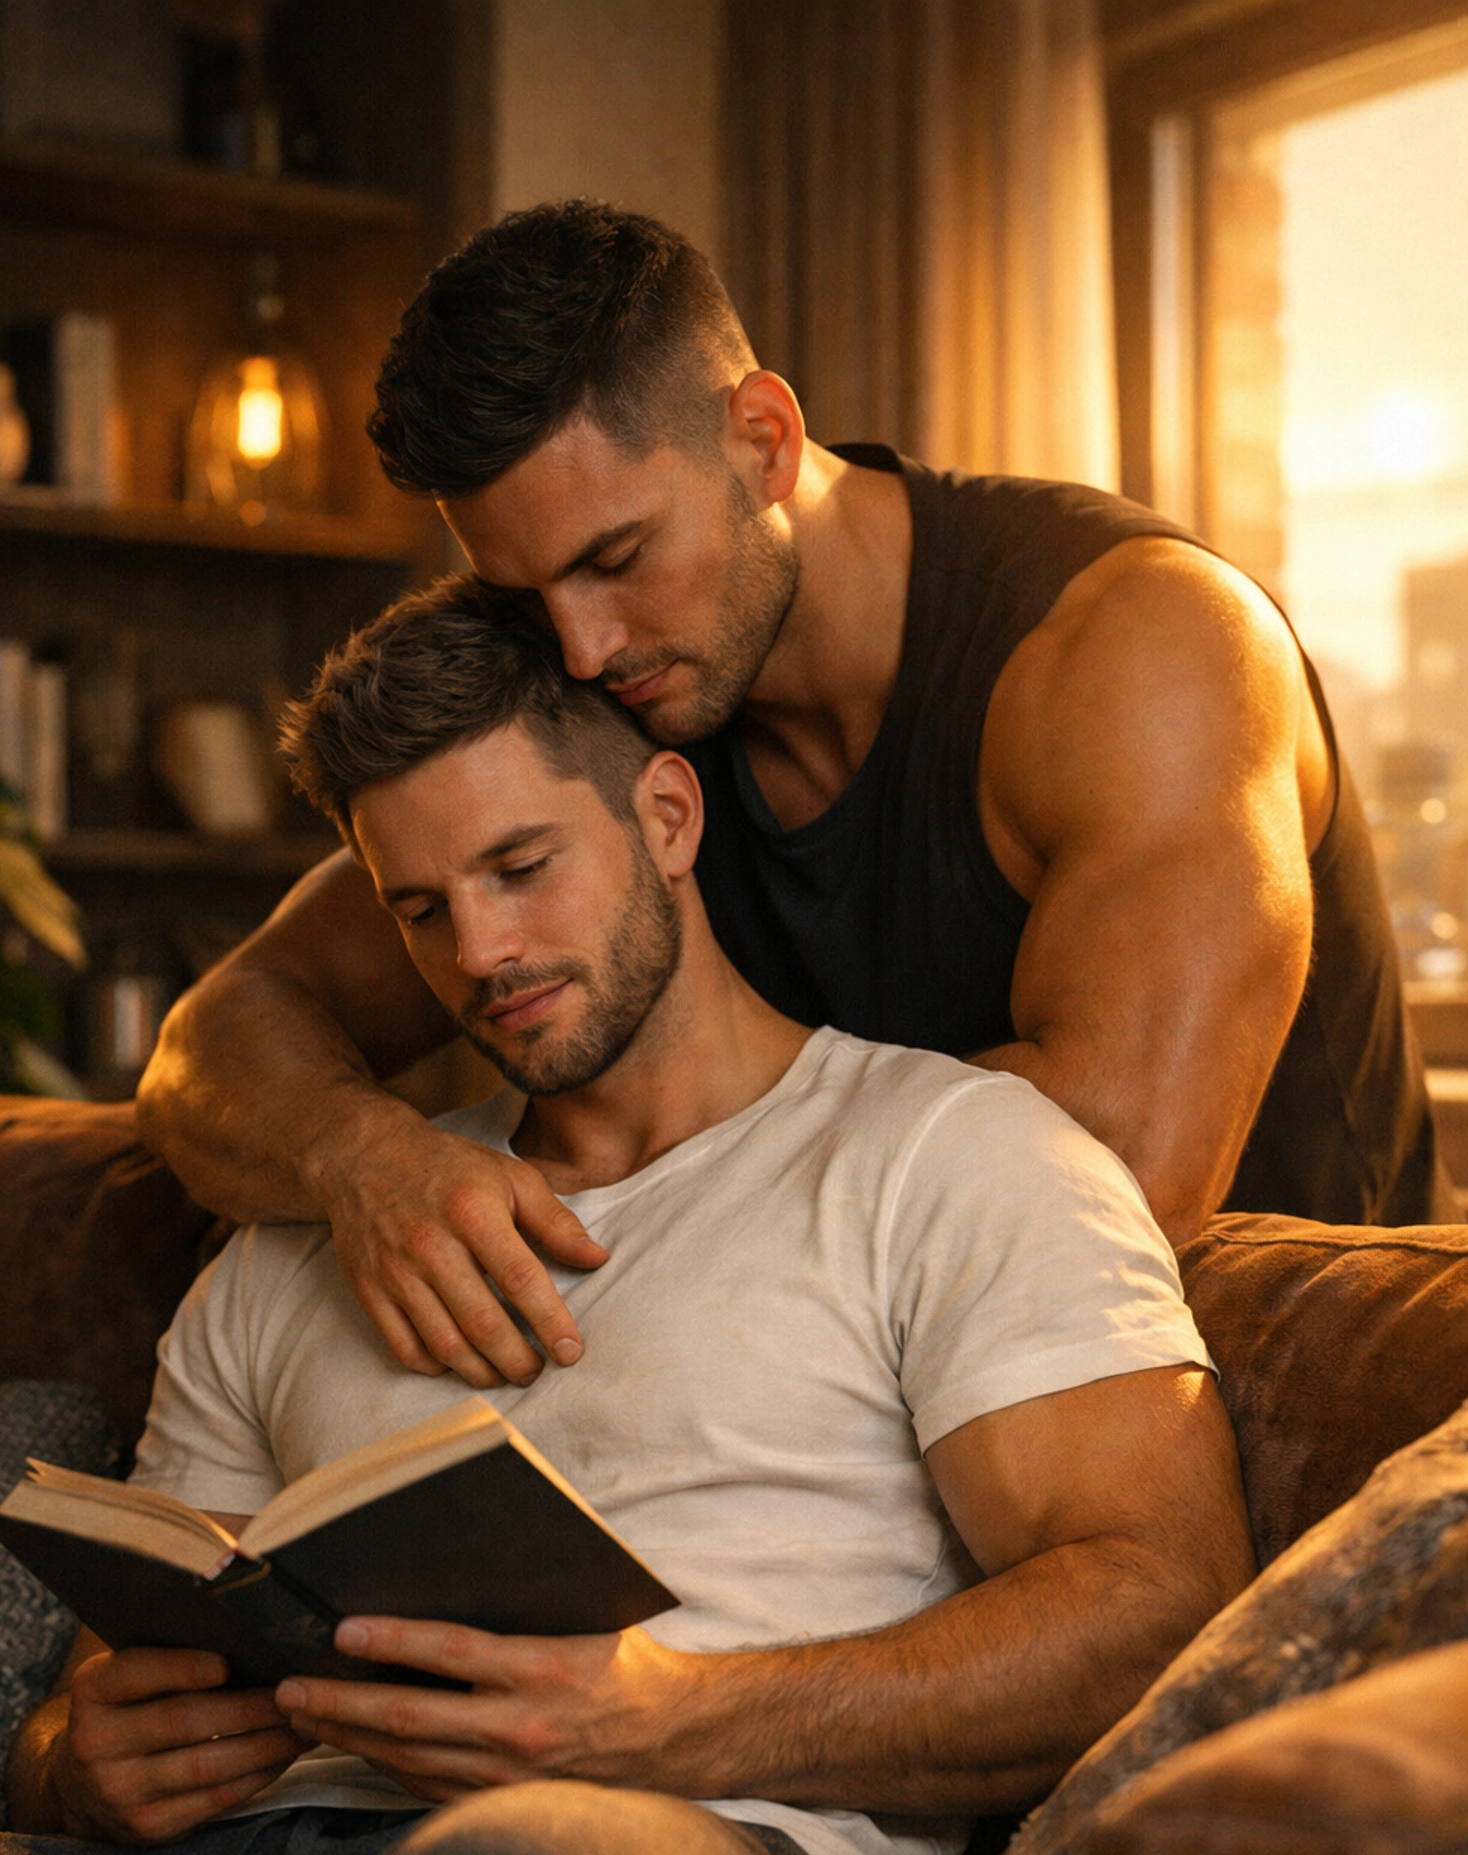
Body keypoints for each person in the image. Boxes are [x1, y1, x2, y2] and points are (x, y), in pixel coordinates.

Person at [0, 582, 1254, 1855]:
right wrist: (68, 1763)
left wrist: (669, 1724)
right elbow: (132, 1652)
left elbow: (1163, 1597)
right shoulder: (309, 1234)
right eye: (417, 907)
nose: (476, 953)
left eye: (520, 868)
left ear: (667, 812)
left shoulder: (947, 1158)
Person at [137, 201, 1452, 1403]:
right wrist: (360, 1158)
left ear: (761, 438)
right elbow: (225, 1035)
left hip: (1270, 1387)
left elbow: (1112, 1178)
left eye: (617, 558)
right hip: (859, 1383)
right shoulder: (618, 696)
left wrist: (640, 1200)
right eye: (530, 595)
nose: (583, 649)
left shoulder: (1140, 646)